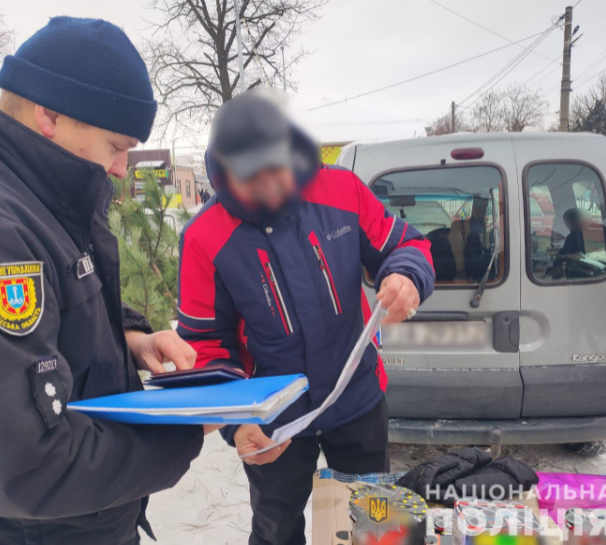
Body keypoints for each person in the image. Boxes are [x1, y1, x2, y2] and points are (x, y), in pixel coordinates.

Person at [0, 17, 214, 545]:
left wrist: (131, 337)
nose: (122, 168)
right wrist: (185, 430)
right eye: (116, 145)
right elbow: (27, 467)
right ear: (49, 113)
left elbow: (63, 305)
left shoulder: (35, 188)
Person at [177, 92, 435, 545]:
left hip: (356, 401)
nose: (275, 184)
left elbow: (405, 245)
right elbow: (205, 348)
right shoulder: (204, 237)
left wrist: (407, 277)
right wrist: (238, 423)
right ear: (225, 170)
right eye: (254, 176)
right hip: (273, 421)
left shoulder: (340, 189)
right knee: (276, 531)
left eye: (280, 167)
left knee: (379, 523)